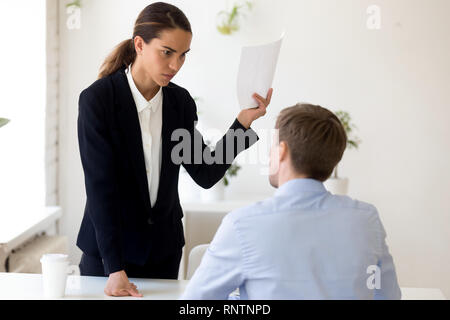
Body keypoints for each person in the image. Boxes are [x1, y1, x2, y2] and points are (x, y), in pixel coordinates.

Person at [76, 2, 272, 297]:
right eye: (167, 52)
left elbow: (204, 172)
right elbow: (100, 187)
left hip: (163, 254)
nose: (175, 65)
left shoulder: (179, 103)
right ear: (139, 44)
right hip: (108, 257)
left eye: (183, 56)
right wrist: (114, 268)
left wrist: (243, 122)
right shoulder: (98, 101)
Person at [180, 103, 401, 300]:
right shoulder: (366, 220)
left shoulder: (243, 225)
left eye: (273, 145)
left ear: (282, 151)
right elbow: (387, 295)